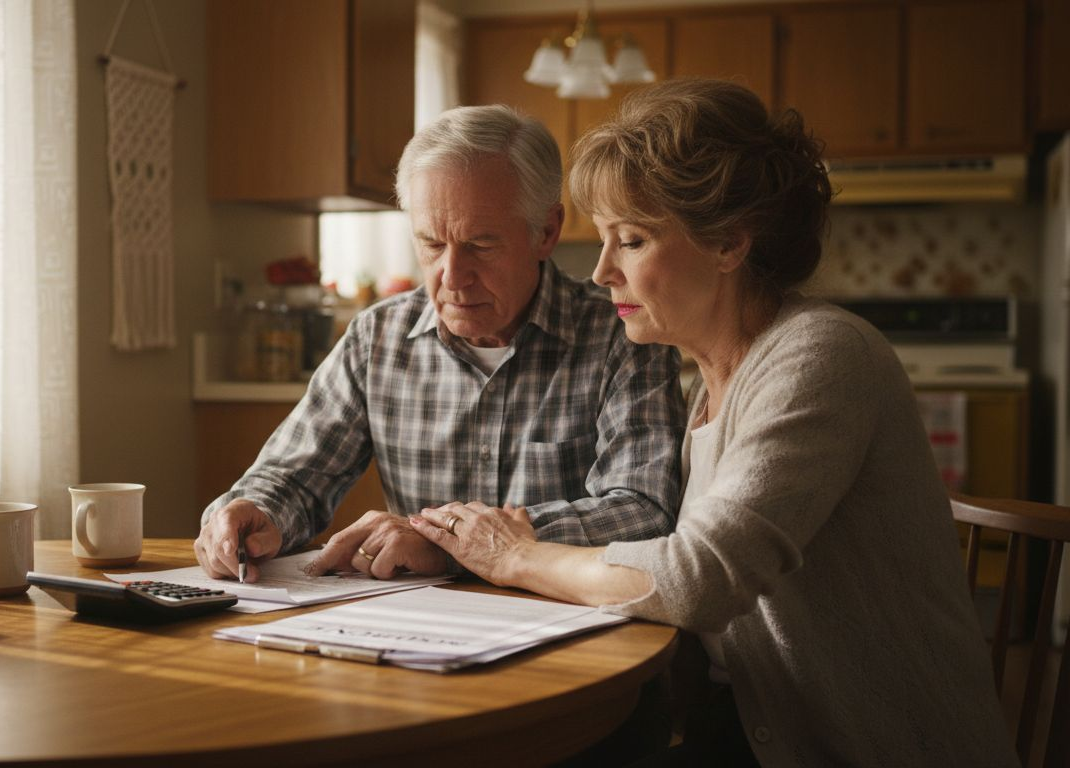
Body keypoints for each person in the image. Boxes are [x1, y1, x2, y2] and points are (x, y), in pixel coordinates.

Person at [410, 80, 1017, 767]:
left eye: (631, 240)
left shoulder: (820, 356)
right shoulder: (712, 382)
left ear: (728, 243)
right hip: (753, 729)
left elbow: (696, 579)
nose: (603, 270)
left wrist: (515, 555)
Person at [196, 104, 685, 584]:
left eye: (480, 245)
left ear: (547, 231)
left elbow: (642, 510)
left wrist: (453, 544)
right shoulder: (378, 338)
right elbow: (293, 477)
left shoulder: (623, 334)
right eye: (431, 243)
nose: (452, 276)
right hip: (417, 638)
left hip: (572, 632)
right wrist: (251, 513)